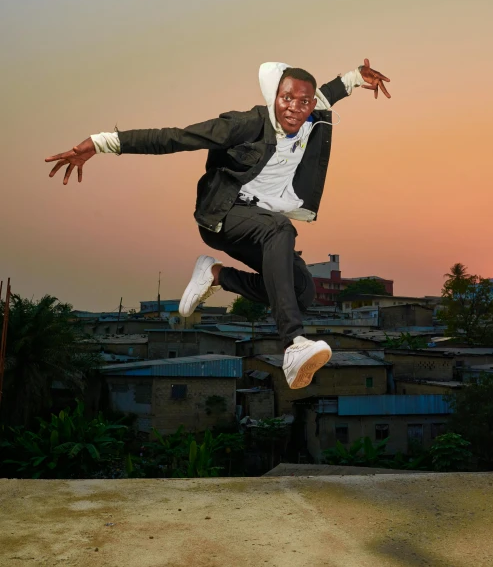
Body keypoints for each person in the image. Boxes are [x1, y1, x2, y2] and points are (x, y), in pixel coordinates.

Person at [45, 58, 390, 389]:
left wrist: (359, 75)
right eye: (286, 98)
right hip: (223, 215)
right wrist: (103, 142)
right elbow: (177, 137)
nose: (294, 109)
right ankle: (293, 344)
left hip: (259, 226)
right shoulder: (245, 124)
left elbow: (334, 87)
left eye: (303, 102)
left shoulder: (312, 114)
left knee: (303, 292)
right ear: (275, 97)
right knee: (281, 228)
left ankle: (216, 275)